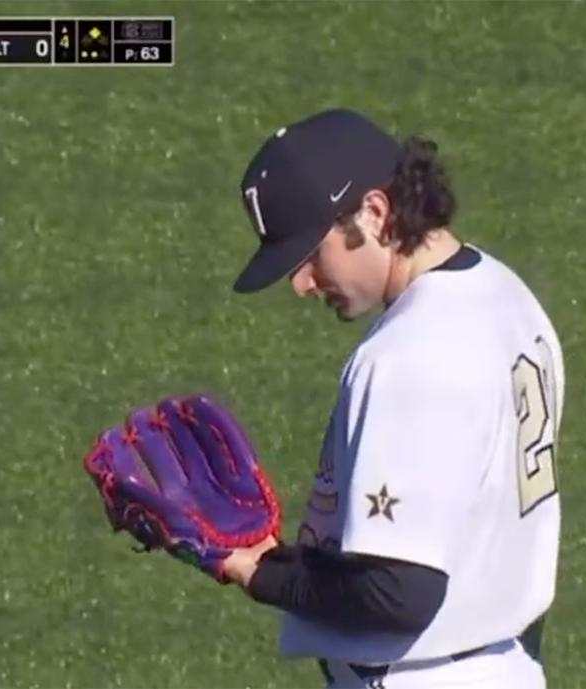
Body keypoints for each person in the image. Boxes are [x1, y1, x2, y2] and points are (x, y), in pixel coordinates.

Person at [219, 108, 565, 689]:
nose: (301, 283)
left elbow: (398, 592)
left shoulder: (411, 352)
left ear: (374, 213)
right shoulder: (506, 295)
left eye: (310, 254)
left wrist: (261, 573)